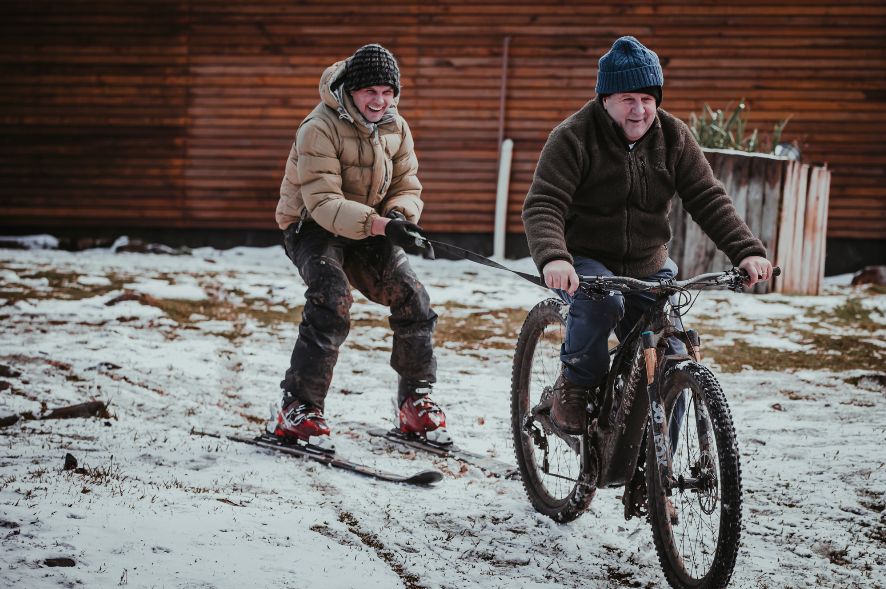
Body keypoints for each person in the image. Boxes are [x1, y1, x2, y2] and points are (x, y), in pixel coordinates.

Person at [522, 36, 774, 435]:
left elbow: (708, 197)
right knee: (602, 305)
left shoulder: (673, 137)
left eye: (647, 99)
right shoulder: (572, 137)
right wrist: (554, 256)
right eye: (628, 99)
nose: (639, 110)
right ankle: (575, 386)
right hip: (584, 259)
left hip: (649, 264)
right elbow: (544, 203)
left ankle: (656, 470)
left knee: (671, 358)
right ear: (606, 99)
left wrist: (746, 250)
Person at [271, 44, 448, 445]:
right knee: (332, 298)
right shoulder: (318, 127)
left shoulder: (395, 126)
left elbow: (406, 183)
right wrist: (381, 224)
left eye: (387, 92)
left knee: (414, 297)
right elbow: (323, 201)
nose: (380, 100)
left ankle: (415, 401)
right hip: (312, 227)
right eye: (370, 91)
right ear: (350, 90)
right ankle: (298, 407)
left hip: (371, 227)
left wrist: (400, 216)